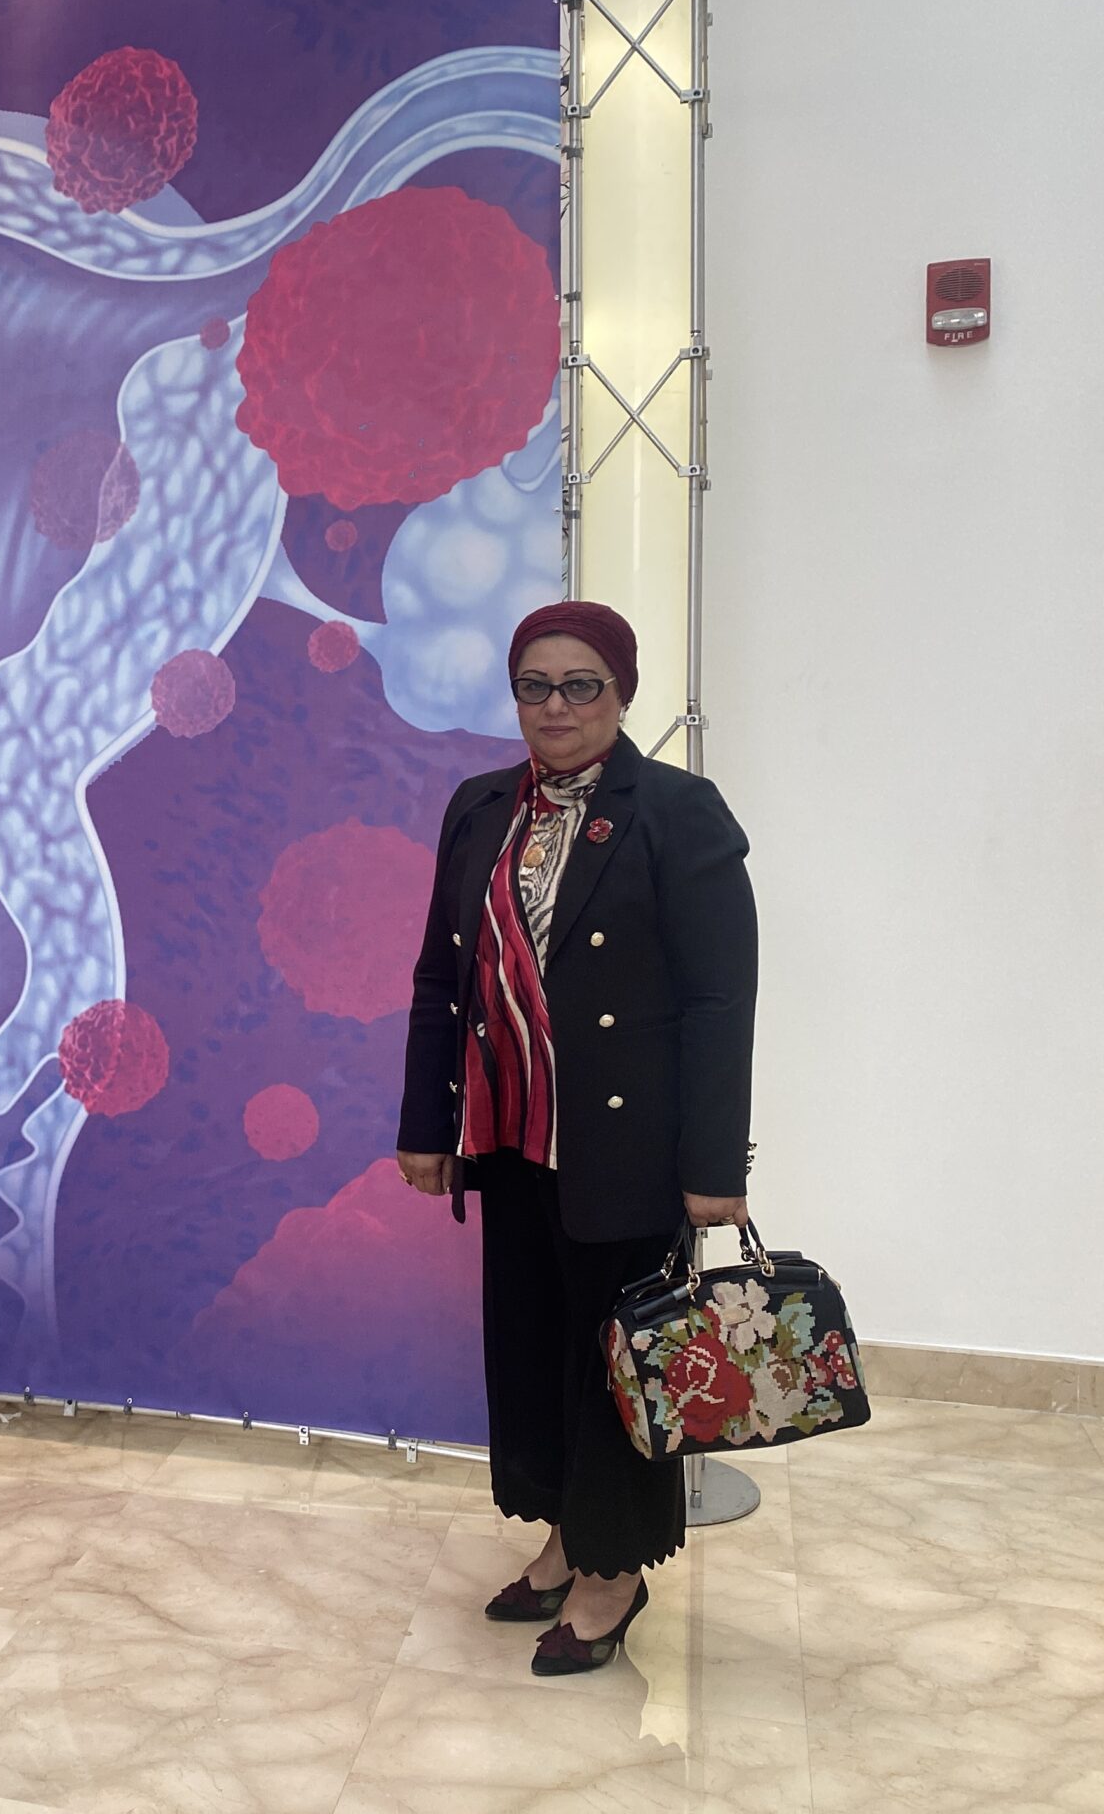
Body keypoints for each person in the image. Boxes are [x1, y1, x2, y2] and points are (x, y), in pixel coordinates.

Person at [393, 600, 756, 1677]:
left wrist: (712, 1168)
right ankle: (563, 1536)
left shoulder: (677, 811)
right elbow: (439, 979)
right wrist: (425, 1123)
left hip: (626, 1151)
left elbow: (720, 1000)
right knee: (536, 1349)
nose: (555, 707)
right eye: (534, 686)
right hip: (509, 1137)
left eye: (581, 685)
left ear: (622, 693)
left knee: (617, 1364)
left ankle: (613, 1573)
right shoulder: (479, 807)